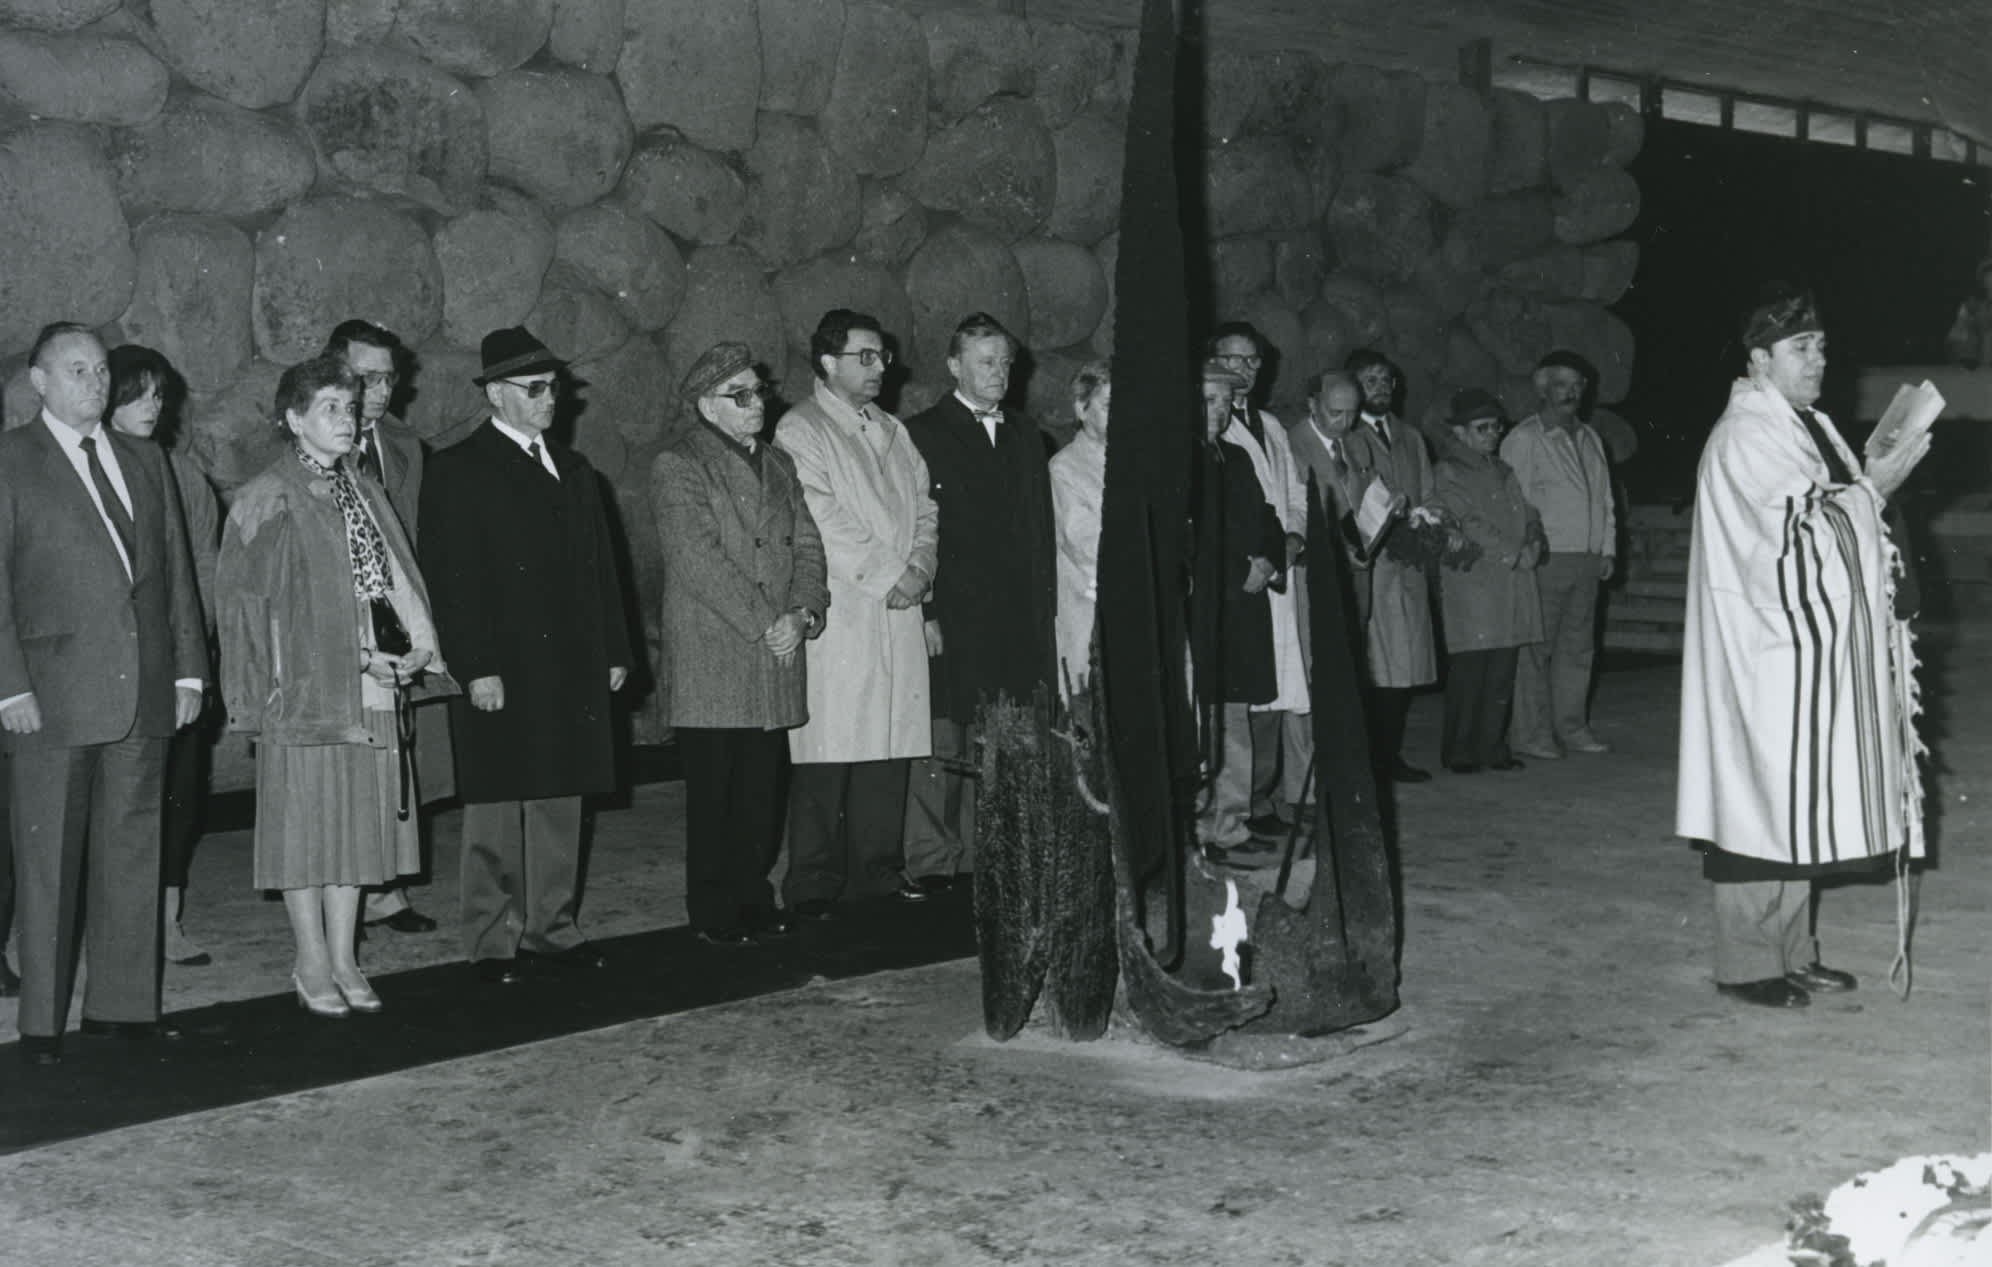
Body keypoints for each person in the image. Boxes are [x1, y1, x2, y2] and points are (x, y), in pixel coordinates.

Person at [1676, 284, 1930, 1009]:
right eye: (1801, 347)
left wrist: (1870, 489)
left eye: (1820, 344)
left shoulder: (1801, 423)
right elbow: (1787, 539)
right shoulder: (1745, 435)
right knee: (1758, 802)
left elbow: (1827, 511)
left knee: (1793, 803)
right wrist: (1872, 491)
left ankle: (1791, 949)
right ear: (1760, 359)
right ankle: (1747, 961)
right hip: (1761, 652)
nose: (1819, 358)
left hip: (1798, 650)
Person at [217, 354, 453, 1017]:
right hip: (304, 693)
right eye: (330, 407)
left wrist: (420, 645)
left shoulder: (364, 487)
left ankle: (346, 953)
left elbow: (396, 578)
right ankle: (311, 956)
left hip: (374, 688)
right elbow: (246, 607)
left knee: (356, 827)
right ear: (294, 419)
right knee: (306, 829)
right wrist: (344, 659)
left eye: (350, 407)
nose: (346, 418)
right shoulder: (267, 493)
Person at [1, 323, 206, 1065]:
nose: (94, 382)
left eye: (100, 369)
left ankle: (122, 1006)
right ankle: (43, 1021)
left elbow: (175, 572)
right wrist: (6, 688)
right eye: (77, 369)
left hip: (144, 688)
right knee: (50, 860)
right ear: (40, 382)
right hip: (49, 695)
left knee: (131, 848)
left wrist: (188, 671)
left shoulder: (145, 459)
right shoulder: (11, 461)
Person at [419, 327, 631, 985]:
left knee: (560, 795)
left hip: (569, 663)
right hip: (502, 665)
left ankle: (551, 926)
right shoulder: (458, 468)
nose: (551, 399)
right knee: (497, 799)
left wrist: (615, 649)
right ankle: (491, 939)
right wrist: (474, 664)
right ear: (496, 395)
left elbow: (604, 569)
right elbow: (451, 581)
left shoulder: (575, 469)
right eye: (536, 389)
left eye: (554, 387)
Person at [656, 343, 829, 943]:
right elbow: (696, 559)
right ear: (708, 406)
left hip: (776, 645)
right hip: (718, 651)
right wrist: (766, 622)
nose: (758, 403)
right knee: (716, 793)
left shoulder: (779, 464)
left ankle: (753, 895)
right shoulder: (680, 465)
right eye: (742, 395)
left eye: (760, 392)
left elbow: (808, 547)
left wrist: (804, 612)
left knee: (762, 790)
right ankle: (713, 910)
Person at [773, 311, 937, 917]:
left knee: (887, 747)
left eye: (881, 357)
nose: (878, 368)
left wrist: (920, 567)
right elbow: (819, 518)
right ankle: (813, 882)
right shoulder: (801, 430)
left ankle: (879, 871)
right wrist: (893, 575)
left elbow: (924, 506)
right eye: (864, 356)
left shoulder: (892, 429)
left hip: (897, 609)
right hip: (845, 612)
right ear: (826, 363)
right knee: (829, 753)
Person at [903, 312, 1056, 894]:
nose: (999, 373)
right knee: (944, 739)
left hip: (1017, 618)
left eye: (1006, 362)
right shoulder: (922, 433)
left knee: (1006, 740)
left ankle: (992, 855)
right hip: (956, 614)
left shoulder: (1026, 435)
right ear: (954, 366)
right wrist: (928, 611)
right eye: (986, 362)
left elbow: (1040, 532)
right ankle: (933, 861)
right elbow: (915, 530)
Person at [324, 318, 446, 936]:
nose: (378, 389)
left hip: (397, 619)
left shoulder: (403, 444)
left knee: (402, 755)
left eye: (387, 377)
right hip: (345, 622)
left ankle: (388, 885)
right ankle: (355, 884)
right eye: (363, 376)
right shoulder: (320, 438)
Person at [106, 344, 220, 967]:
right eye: (139, 392)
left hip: (173, 669)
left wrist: (190, 666)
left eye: (159, 394)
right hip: (106, 671)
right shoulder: (82, 471)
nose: (153, 405)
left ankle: (166, 921)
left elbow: (203, 575)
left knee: (178, 797)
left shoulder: (185, 476)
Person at [1209, 322, 1311, 836]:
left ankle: (1264, 799)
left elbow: (1291, 492)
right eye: (1233, 359)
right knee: (1243, 694)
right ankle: (1239, 803)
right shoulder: (1212, 425)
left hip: (1278, 567)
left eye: (1252, 362)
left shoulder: (1270, 425)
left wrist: (1292, 538)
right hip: (1242, 577)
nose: (1244, 371)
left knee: (1277, 688)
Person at [1501, 349, 1616, 759]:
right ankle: (1531, 734)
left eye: (1577, 385)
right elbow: (1514, 502)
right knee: (1536, 650)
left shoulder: (1590, 438)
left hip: (1586, 559)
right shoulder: (1525, 438)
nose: (1571, 393)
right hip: (1547, 558)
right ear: (1543, 389)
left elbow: (1604, 498)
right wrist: (1528, 550)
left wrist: (1606, 548)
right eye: (1561, 385)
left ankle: (1572, 727)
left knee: (1578, 648)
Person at [1189, 361, 1283, 857]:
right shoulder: (1178, 463)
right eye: (1208, 400)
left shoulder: (1237, 459)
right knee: (1203, 723)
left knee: (1234, 721)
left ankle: (1231, 823)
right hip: (1204, 610)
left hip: (1241, 611)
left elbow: (1265, 516)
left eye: (1226, 402)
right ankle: (1204, 827)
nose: (1219, 411)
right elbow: (1193, 539)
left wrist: (1269, 558)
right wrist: (1235, 572)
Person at [1431, 388, 1543, 775]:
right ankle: (1460, 750)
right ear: (1460, 433)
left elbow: (1529, 512)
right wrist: (1514, 551)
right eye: (1482, 428)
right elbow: (1466, 521)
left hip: (1510, 584)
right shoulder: (1450, 470)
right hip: (1476, 585)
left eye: (1496, 427)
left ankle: (1494, 747)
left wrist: (1533, 539)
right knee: (1471, 672)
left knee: (1502, 670)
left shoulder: (1503, 469)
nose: (1492, 434)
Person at [1340, 348, 1437, 783]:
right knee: (1375, 665)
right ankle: (1367, 759)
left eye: (1386, 380)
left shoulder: (1412, 437)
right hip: (1371, 566)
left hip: (1409, 564)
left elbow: (1431, 495)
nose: (1380, 388)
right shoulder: (1346, 436)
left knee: (1405, 666)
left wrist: (1427, 520)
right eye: (1369, 380)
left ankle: (1390, 755)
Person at [1049, 360, 1111, 699]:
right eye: (1107, 406)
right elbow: (1085, 543)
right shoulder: (1065, 468)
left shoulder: (1137, 464)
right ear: (1081, 408)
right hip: (1089, 606)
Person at [1942, 258, 1992, 368]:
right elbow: (1955, 336)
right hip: (1975, 357)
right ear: (1983, 282)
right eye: (1988, 277)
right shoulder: (1972, 305)